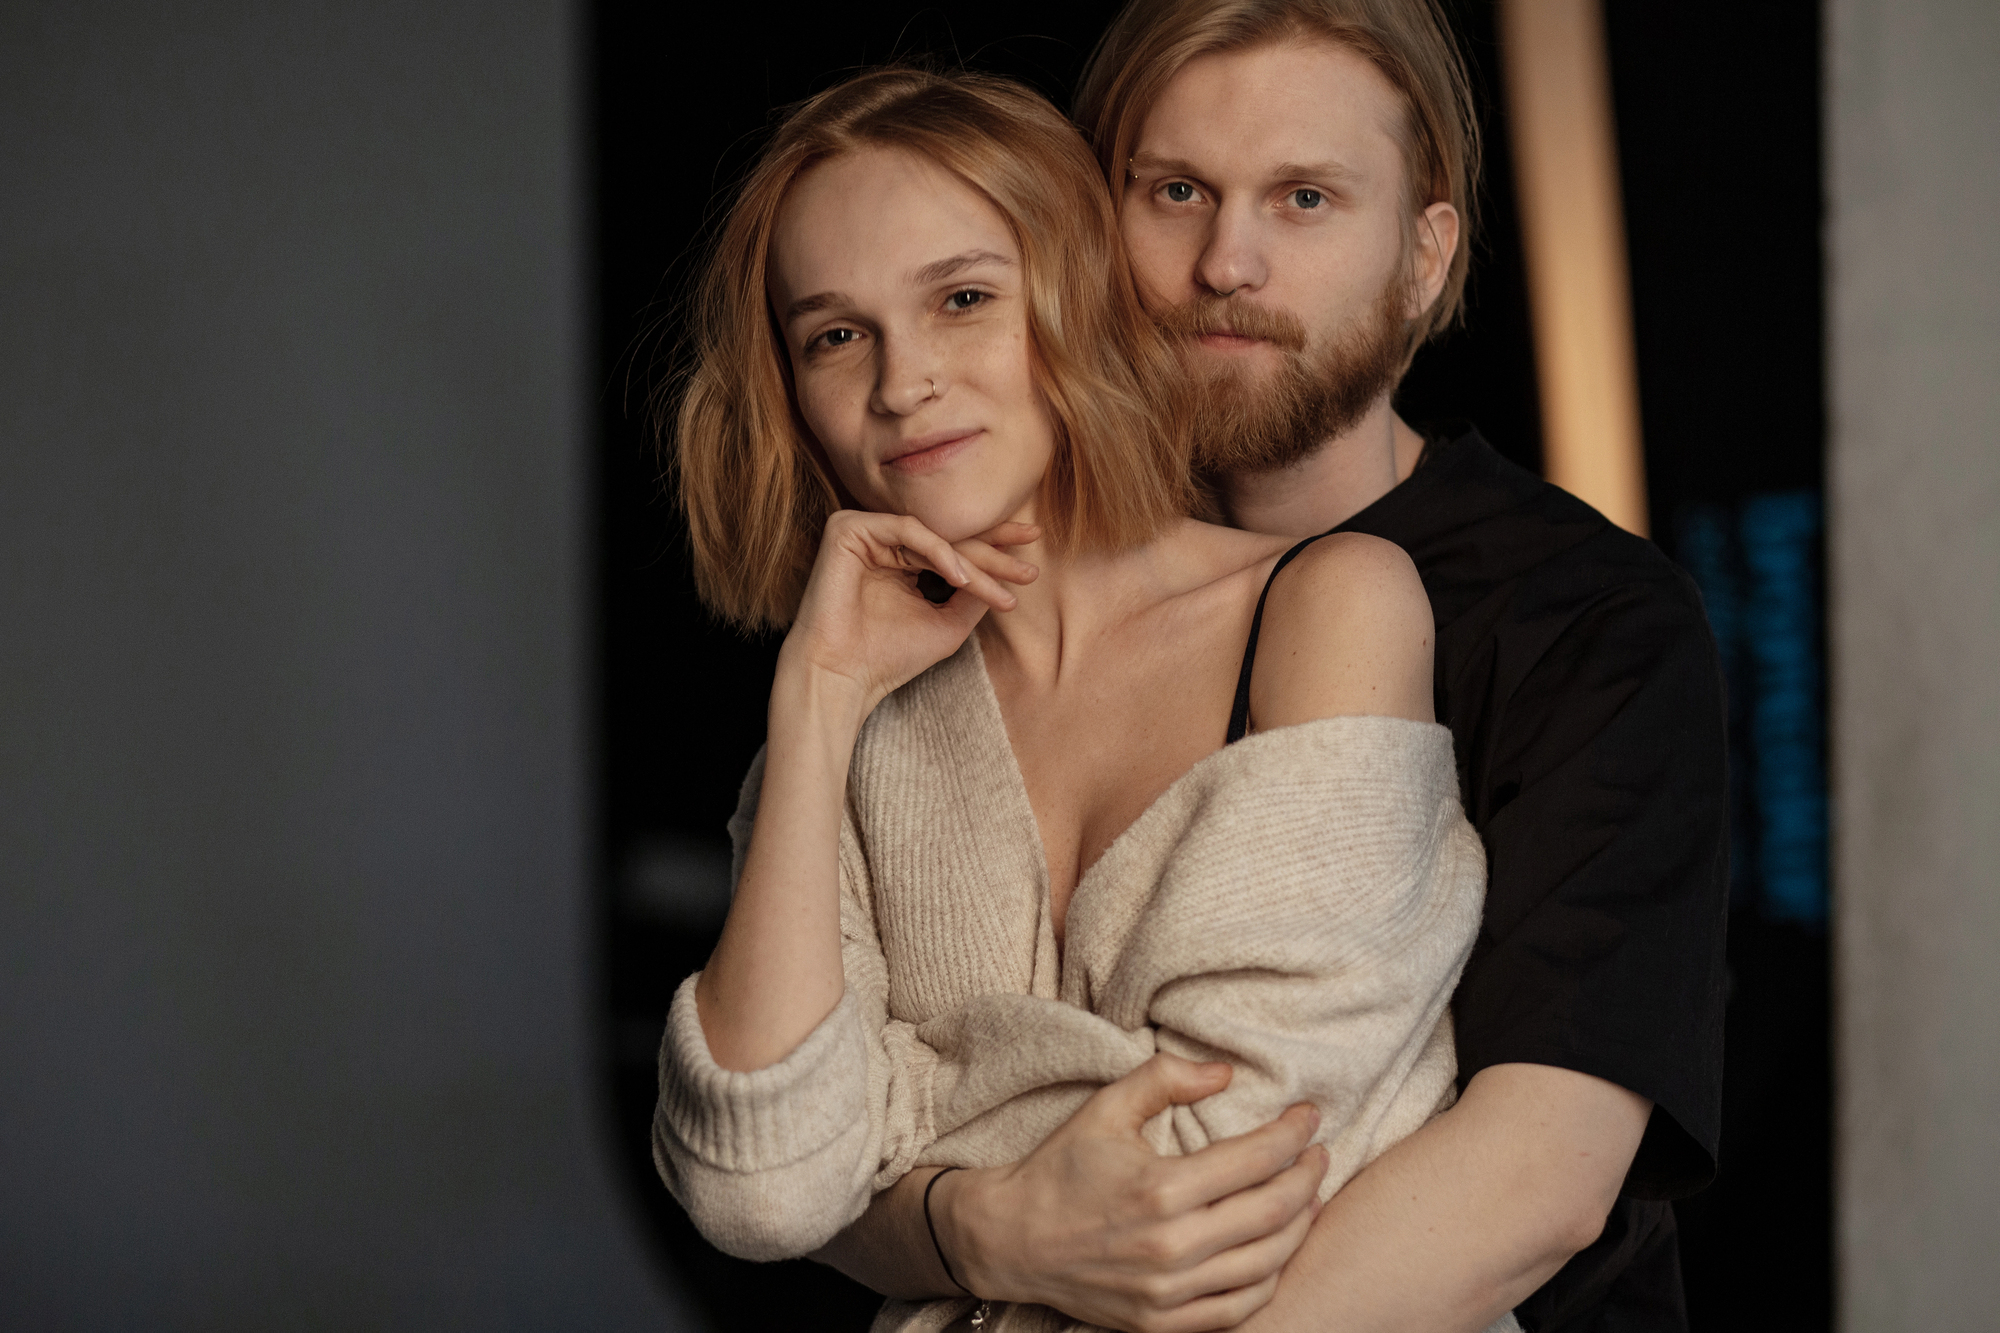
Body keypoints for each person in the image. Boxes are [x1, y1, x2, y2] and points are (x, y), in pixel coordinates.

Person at [814, 2, 1730, 1331]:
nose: (1226, 262)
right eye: (1174, 190)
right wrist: (981, 1227)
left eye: (1304, 198)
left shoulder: (1592, 623)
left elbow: (1542, 1174)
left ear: (1424, 255)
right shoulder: (963, 595)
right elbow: (814, 1138)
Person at [650, 65, 1513, 1333]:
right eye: (835, 335)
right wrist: (819, 698)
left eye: (960, 300)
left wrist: (915, 1181)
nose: (902, 384)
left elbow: (1215, 1180)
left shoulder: (1329, 605)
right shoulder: (846, 721)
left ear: (1077, 297)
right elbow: (763, 1189)